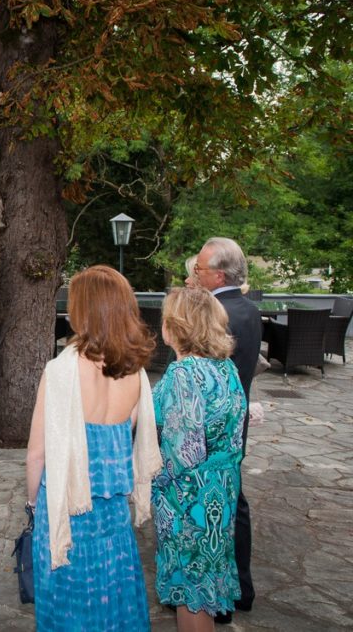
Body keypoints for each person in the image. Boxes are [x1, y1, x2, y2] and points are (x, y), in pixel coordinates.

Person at [25, 265, 162, 630]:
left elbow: (37, 452)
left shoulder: (60, 371)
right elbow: (123, 436)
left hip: (68, 510)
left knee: (68, 607)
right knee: (113, 603)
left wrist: (32, 504)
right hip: (113, 515)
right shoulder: (135, 372)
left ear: (85, 311)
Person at [153, 287, 247, 631]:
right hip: (221, 492)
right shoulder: (227, 369)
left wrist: (147, 479)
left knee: (191, 591)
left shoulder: (183, 375)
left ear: (173, 326)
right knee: (205, 586)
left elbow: (183, 453)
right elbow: (235, 436)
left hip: (189, 500)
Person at [194, 236, 261, 619]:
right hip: (237, 423)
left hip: (211, 427)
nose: (196, 275)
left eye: (200, 269)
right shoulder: (250, 310)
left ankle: (217, 596)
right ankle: (242, 587)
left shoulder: (215, 313)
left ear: (218, 274)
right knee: (235, 503)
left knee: (214, 510)